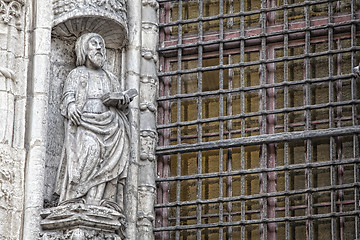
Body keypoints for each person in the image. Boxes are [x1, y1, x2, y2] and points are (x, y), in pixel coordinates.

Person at [55, 33, 131, 212]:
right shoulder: (77, 73)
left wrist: (123, 102)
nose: (99, 48)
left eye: (101, 45)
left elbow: (120, 101)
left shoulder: (110, 77)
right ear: (84, 49)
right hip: (85, 123)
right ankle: (75, 197)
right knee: (91, 149)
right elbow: (67, 96)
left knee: (108, 161)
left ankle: (97, 203)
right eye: (94, 44)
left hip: (111, 126)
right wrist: (71, 105)